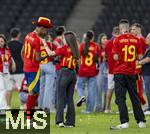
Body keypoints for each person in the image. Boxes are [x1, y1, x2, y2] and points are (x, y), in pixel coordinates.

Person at [111, 19, 146, 129]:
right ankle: (141, 121)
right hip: (131, 72)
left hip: (120, 72)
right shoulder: (137, 40)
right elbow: (140, 57)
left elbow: (115, 57)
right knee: (134, 97)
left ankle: (124, 122)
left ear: (121, 28)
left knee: (121, 98)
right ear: (128, 27)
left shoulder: (117, 40)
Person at [47, 31, 79, 127]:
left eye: (64, 39)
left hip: (64, 73)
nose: (63, 40)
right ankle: (71, 122)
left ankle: (59, 121)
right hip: (73, 74)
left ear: (67, 40)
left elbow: (50, 53)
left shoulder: (64, 48)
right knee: (70, 98)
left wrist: (44, 44)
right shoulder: (76, 49)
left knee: (60, 98)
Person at [21, 17, 53, 110]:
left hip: (26, 67)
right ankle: (29, 117)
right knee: (32, 92)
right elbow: (38, 58)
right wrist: (49, 55)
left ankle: (31, 112)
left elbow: (22, 52)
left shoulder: (28, 35)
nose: (46, 33)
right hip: (33, 69)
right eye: (46, 30)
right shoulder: (37, 40)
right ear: (41, 28)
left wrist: (26, 63)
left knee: (35, 91)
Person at [77, 31, 101, 113]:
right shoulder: (96, 46)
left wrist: (80, 67)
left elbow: (79, 59)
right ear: (93, 37)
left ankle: (82, 96)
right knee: (92, 91)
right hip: (93, 71)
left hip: (83, 70)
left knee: (80, 86)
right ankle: (89, 110)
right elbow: (99, 59)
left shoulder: (82, 46)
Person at [38, 34, 56, 113]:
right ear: (49, 38)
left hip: (39, 66)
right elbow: (57, 54)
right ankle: (46, 107)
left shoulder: (38, 44)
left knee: (41, 88)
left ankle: (40, 107)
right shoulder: (51, 44)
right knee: (48, 88)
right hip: (48, 65)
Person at [104, 26, 120, 113]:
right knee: (119, 90)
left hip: (111, 70)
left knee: (110, 89)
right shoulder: (121, 41)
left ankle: (107, 108)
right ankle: (119, 109)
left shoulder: (108, 43)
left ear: (112, 33)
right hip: (120, 69)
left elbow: (106, 54)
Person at [7, 27, 24, 107]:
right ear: (19, 35)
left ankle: (7, 106)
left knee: (9, 89)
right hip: (20, 70)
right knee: (21, 89)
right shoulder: (21, 45)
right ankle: (22, 106)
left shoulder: (7, 45)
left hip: (9, 70)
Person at [130, 23, 146, 105]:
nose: (132, 31)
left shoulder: (141, 40)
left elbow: (143, 54)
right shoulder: (136, 39)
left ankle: (141, 107)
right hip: (136, 66)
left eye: (133, 29)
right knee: (137, 87)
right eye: (131, 29)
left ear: (139, 29)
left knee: (139, 87)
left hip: (140, 67)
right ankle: (140, 106)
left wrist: (139, 62)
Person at [0, 34, 16, 110]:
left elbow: (10, 59)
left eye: (2, 41)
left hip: (6, 72)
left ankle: (4, 105)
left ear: (4, 42)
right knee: (2, 89)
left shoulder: (7, 50)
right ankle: (3, 107)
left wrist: (13, 64)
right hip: (0, 72)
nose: (0, 43)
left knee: (8, 89)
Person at [138, 33, 150, 115]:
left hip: (148, 73)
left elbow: (148, 59)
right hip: (146, 73)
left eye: (148, 37)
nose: (146, 38)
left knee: (148, 91)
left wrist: (139, 62)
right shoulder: (148, 48)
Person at [95, 33, 108, 112]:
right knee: (99, 89)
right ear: (100, 40)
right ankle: (98, 107)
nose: (105, 40)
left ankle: (106, 107)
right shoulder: (97, 47)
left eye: (106, 38)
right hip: (100, 68)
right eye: (103, 38)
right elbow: (95, 58)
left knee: (107, 89)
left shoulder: (108, 46)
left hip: (108, 68)